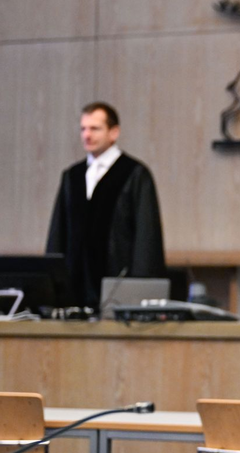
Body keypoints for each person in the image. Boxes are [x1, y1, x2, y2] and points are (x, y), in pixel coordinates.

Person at [46, 102, 165, 309]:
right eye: (83, 129)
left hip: (118, 285)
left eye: (95, 128)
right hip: (75, 289)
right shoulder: (72, 176)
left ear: (114, 132)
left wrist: (140, 291)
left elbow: (147, 237)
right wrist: (53, 281)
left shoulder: (135, 174)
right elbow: (58, 233)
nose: (87, 135)